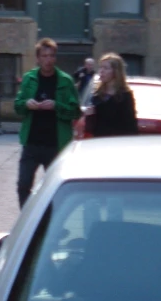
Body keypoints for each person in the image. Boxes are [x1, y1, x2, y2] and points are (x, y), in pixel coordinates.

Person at [14, 38, 80, 208]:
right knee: (23, 185)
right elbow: (18, 106)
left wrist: (56, 106)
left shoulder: (65, 80)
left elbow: (75, 111)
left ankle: (51, 225)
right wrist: (26, 104)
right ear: (38, 58)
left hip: (55, 143)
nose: (48, 60)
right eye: (44, 56)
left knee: (55, 188)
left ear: (55, 58)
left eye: (51, 56)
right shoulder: (29, 78)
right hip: (32, 142)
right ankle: (28, 223)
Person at [83, 53, 138, 137]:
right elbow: (90, 125)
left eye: (106, 68)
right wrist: (89, 114)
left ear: (116, 71)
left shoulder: (124, 96)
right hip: (98, 141)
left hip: (116, 142)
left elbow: (131, 125)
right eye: (100, 67)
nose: (101, 71)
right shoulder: (97, 94)